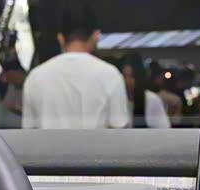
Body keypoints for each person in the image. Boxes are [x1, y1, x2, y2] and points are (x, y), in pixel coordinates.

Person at [22, 1, 128, 129]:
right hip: (97, 143)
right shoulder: (110, 76)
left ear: (60, 38)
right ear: (95, 36)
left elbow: (28, 133)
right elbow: (120, 130)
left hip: (48, 143)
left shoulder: (35, 78)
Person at [120, 54, 170, 129]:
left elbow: (164, 130)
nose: (127, 81)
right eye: (124, 76)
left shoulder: (152, 99)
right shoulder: (116, 99)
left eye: (132, 76)